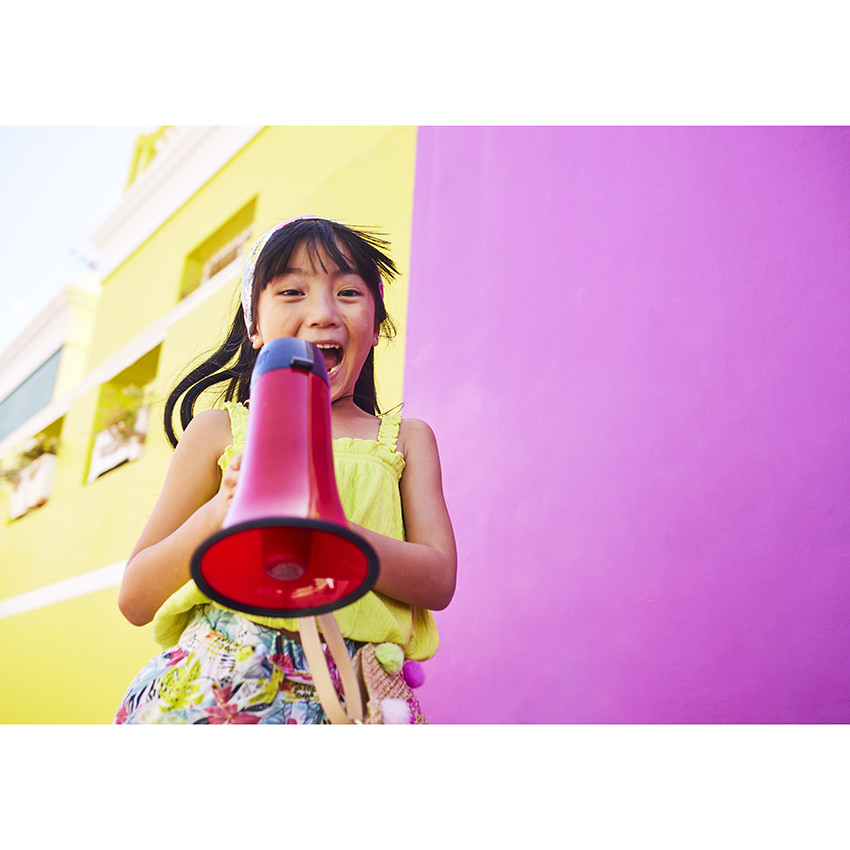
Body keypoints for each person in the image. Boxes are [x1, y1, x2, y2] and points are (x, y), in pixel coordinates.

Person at [113, 216, 456, 724]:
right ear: (255, 327)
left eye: (348, 292)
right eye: (293, 291)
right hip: (219, 683)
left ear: (377, 327)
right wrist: (220, 511)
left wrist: (338, 535)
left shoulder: (406, 439)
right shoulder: (220, 431)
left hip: (354, 697)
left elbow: (439, 579)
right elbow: (136, 597)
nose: (323, 313)